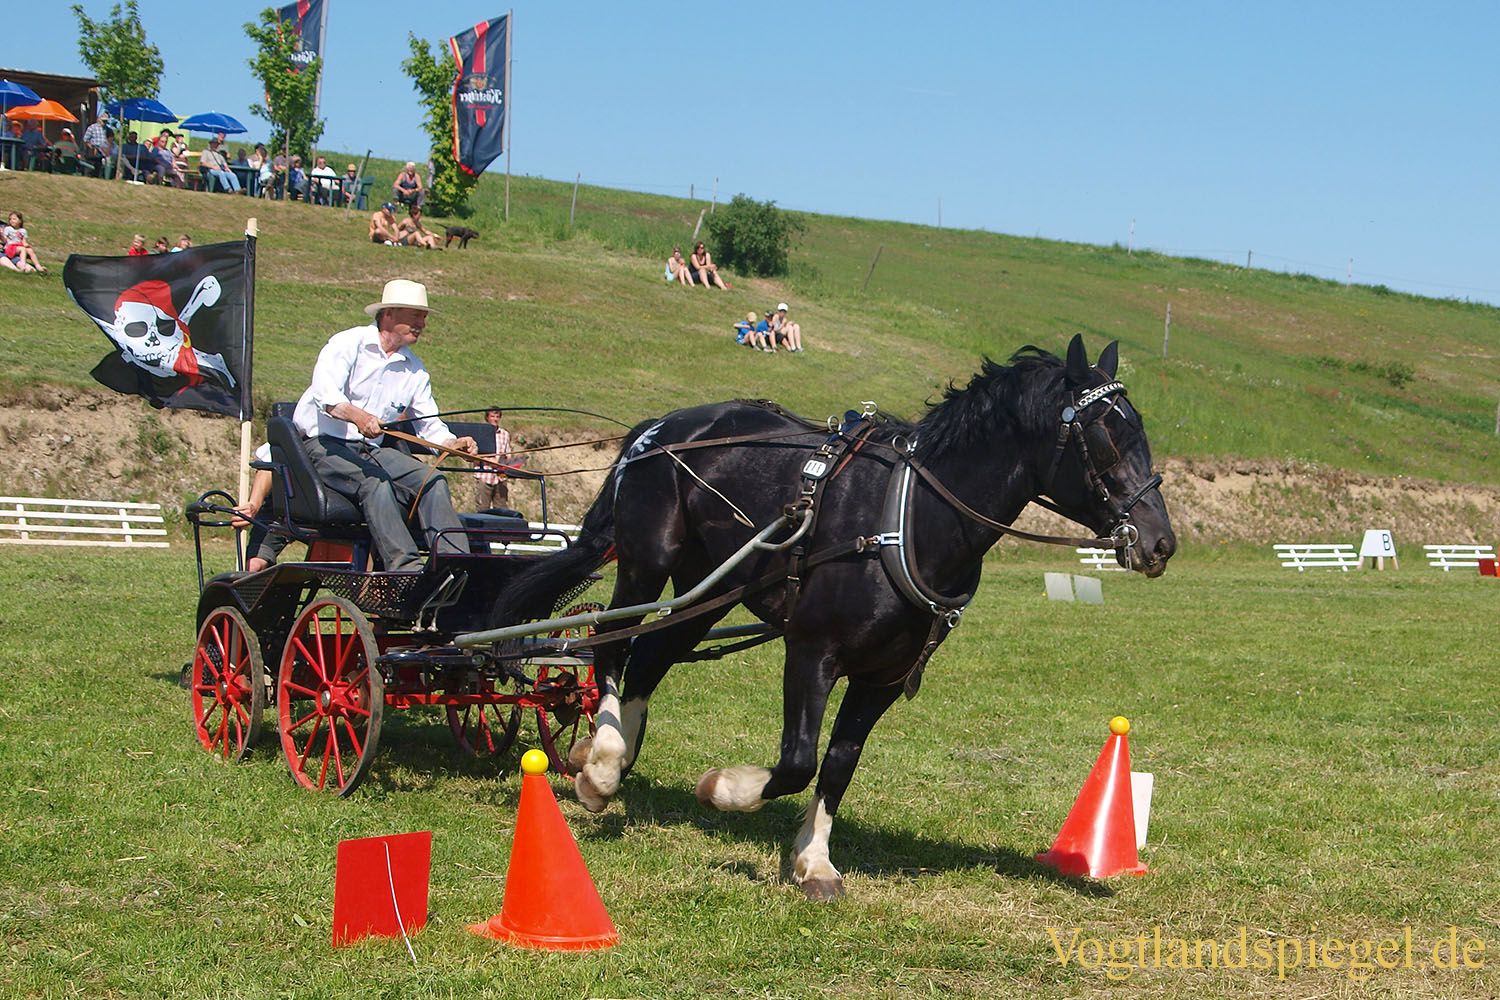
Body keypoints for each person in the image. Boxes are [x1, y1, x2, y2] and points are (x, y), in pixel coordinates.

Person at [290, 278, 477, 572]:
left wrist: (451, 443)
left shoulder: (414, 369)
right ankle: (406, 569)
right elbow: (325, 396)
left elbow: (429, 425)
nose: (422, 323)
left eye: (424, 317)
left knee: (433, 480)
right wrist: (359, 417)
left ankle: (454, 567)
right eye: (416, 315)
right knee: (374, 482)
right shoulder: (348, 343)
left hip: (370, 450)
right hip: (323, 445)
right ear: (389, 313)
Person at [473, 408, 514, 511]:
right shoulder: (480, 433)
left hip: (501, 477)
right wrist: (491, 461)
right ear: (487, 418)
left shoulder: (505, 434)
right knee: (482, 509)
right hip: (484, 476)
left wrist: (508, 464)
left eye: (497, 417)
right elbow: (474, 457)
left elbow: (508, 454)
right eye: (492, 416)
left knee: (502, 509)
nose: (495, 419)